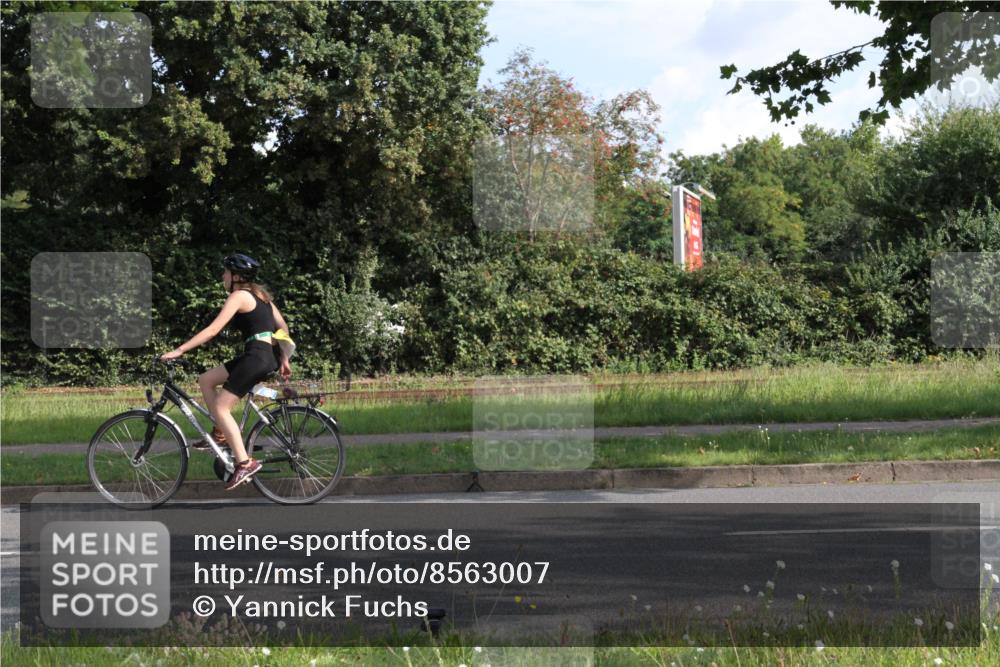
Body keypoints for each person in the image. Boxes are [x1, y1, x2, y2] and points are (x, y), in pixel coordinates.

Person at [159, 253, 292, 490]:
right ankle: (221, 433)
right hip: (263, 355)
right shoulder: (263, 297)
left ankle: (244, 462)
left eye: (226, 272)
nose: (223, 276)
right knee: (206, 379)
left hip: (257, 357)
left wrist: (179, 350)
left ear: (236, 277)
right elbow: (283, 327)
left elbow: (212, 330)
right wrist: (283, 357)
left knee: (222, 406)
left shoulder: (239, 296)